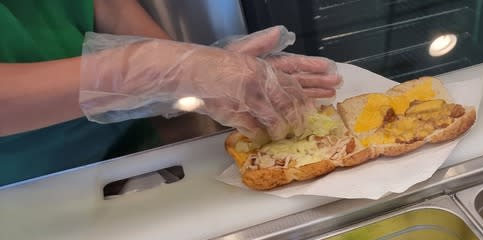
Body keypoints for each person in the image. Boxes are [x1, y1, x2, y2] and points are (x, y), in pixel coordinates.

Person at [0, 0, 341, 186]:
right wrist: (165, 69)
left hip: (137, 153)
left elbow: (109, 7)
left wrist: (204, 67)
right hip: (29, 189)